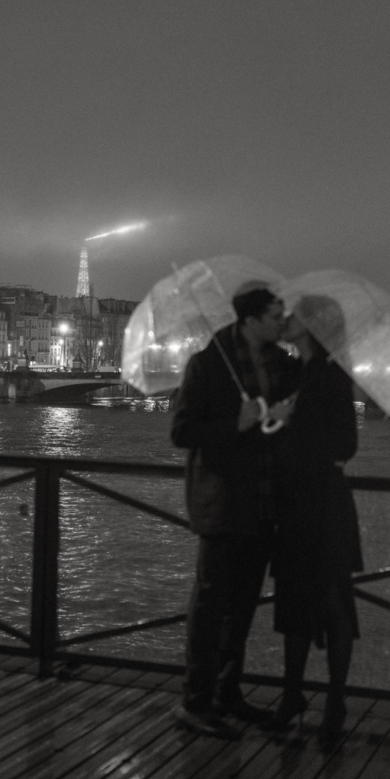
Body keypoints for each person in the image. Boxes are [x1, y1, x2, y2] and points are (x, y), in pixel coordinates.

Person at [170, 283, 300, 737]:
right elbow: (183, 431)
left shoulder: (283, 365)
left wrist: (284, 420)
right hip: (223, 503)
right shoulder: (207, 366)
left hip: (265, 502)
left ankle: (227, 692)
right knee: (210, 606)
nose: (283, 321)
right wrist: (236, 423)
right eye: (275, 314)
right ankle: (195, 699)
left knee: (241, 607)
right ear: (251, 320)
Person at [269, 299, 361, 739]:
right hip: (301, 500)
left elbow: (346, 444)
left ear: (309, 327)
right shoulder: (298, 372)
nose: (285, 320)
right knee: (295, 600)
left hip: (322, 501)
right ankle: (295, 694)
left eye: (292, 316)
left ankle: (332, 701)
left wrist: (296, 430)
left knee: (329, 599)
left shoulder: (329, 376)